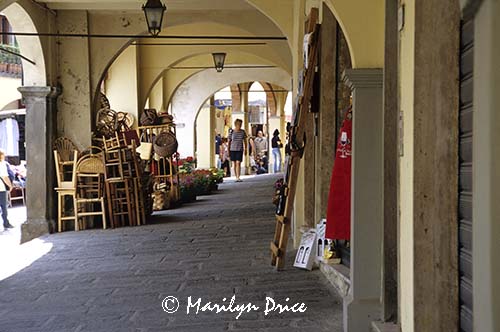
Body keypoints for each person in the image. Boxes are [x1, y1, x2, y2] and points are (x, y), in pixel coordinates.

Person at [0, 150, 13, 229]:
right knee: (4, 206)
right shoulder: (2, 164)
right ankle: (6, 223)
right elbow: (5, 177)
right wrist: (10, 186)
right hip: (1, 188)